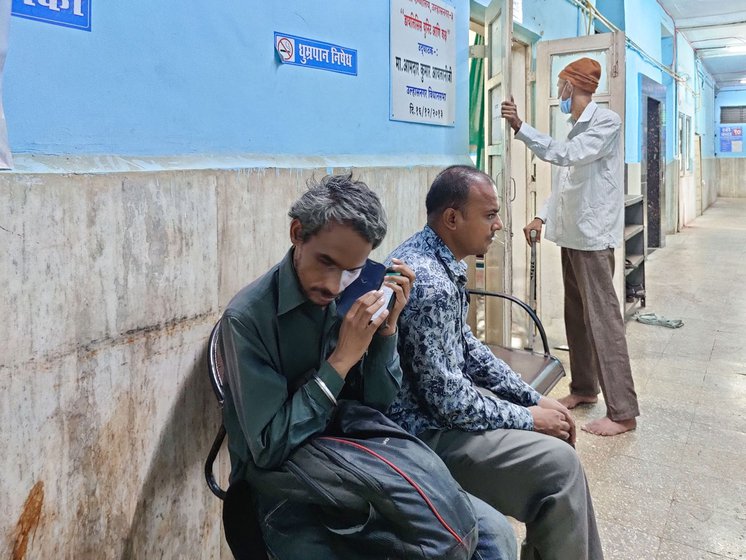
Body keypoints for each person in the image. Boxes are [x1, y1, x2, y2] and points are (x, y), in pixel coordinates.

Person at [218, 174, 517, 559]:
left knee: (491, 536)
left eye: (351, 270)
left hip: (360, 456)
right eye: (325, 261)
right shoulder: (248, 319)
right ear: (297, 234)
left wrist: (387, 333)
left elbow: (378, 404)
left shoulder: (365, 284)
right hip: (280, 486)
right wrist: (341, 360)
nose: (334, 285)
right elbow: (267, 448)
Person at [386, 165, 603, 560]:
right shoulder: (429, 283)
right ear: (452, 218)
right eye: (489, 215)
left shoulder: (434, 257)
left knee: (554, 448)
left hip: (442, 416)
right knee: (559, 467)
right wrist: (530, 418)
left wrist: (530, 399)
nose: (499, 225)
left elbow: (467, 346)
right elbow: (448, 403)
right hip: (422, 438)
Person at [501, 57, 639, 436]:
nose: (558, 92)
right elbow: (565, 183)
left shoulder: (606, 123)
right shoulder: (574, 127)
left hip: (593, 240)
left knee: (604, 321)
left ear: (573, 86)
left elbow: (566, 156)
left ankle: (623, 412)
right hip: (571, 236)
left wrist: (521, 127)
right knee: (576, 316)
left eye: (561, 85)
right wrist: (541, 217)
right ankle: (583, 388)